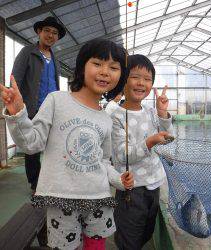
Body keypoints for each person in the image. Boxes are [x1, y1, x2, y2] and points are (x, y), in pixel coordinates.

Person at [0, 38, 134, 250]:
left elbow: (104, 162)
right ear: (82, 67)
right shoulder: (56, 100)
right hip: (62, 201)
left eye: (114, 67)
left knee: (95, 247)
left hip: (99, 198)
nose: (105, 72)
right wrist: (18, 113)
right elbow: (31, 143)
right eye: (97, 63)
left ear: (120, 77)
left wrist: (119, 180)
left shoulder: (106, 119)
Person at [110, 54, 174, 250]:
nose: (141, 83)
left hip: (153, 187)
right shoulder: (116, 116)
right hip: (131, 189)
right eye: (135, 77)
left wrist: (163, 114)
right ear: (123, 80)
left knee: (146, 232)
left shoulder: (151, 112)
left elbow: (168, 137)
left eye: (147, 79)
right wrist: (149, 142)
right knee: (129, 238)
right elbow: (122, 154)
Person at [12, 16, 66, 193]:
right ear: (39, 32)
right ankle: (35, 183)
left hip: (52, 110)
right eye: (47, 31)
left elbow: (56, 84)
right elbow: (16, 79)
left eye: (55, 33)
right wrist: (17, 105)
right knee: (32, 149)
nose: (51, 35)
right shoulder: (28, 52)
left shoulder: (55, 58)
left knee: (54, 145)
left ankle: (51, 177)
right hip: (33, 109)